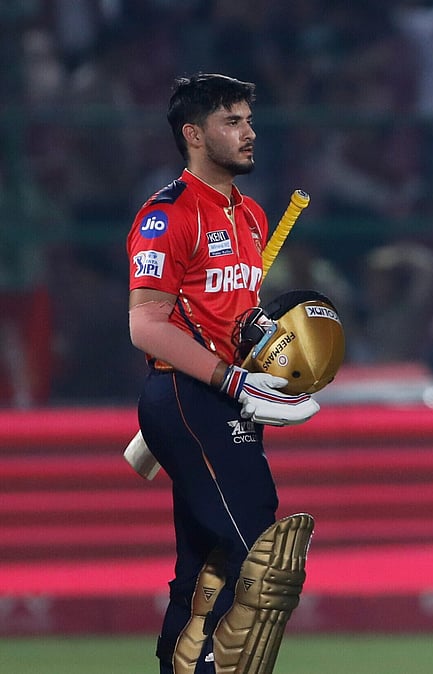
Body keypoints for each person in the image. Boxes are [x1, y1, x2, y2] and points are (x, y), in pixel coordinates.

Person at [126, 73, 319, 674]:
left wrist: (277, 348)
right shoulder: (167, 214)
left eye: (248, 120)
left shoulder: (253, 214)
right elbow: (147, 326)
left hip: (229, 398)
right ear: (193, 133)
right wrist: (234, 381)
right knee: (263, 555)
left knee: (205, 562)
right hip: (188, 395)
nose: (248, 132)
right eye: (231, 121)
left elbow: (232, 318)